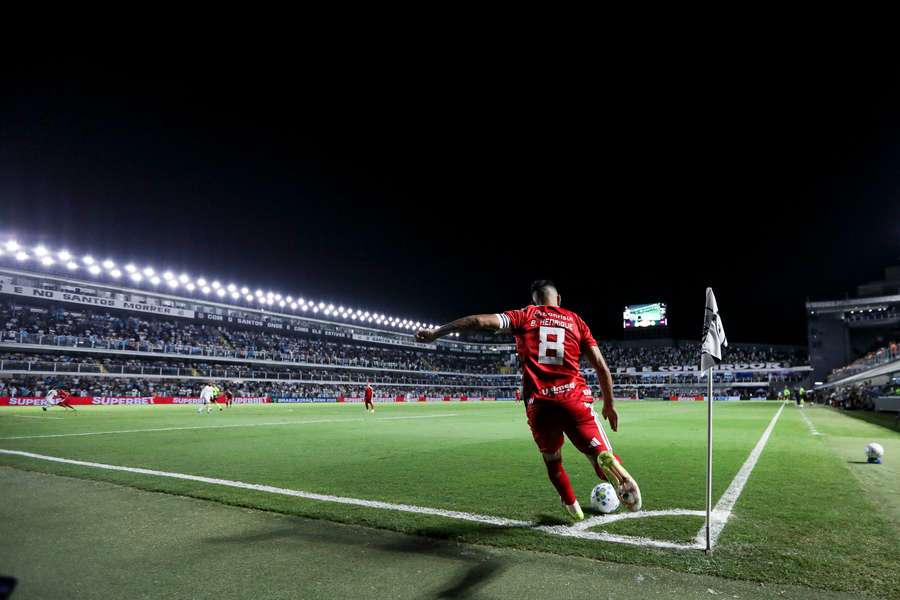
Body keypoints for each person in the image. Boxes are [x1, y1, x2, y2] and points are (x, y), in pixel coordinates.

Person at [416, 280, 641, 520]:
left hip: (540, 406)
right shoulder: (576, 321)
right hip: (573, 399)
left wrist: (436, 333)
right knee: (598, 451)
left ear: (534, 300)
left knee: (553, 461)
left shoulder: (524, 316)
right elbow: (602, 368)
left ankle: (571, 505)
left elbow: (478, 321)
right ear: (559, 299)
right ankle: (603, 459)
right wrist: (609, 405)